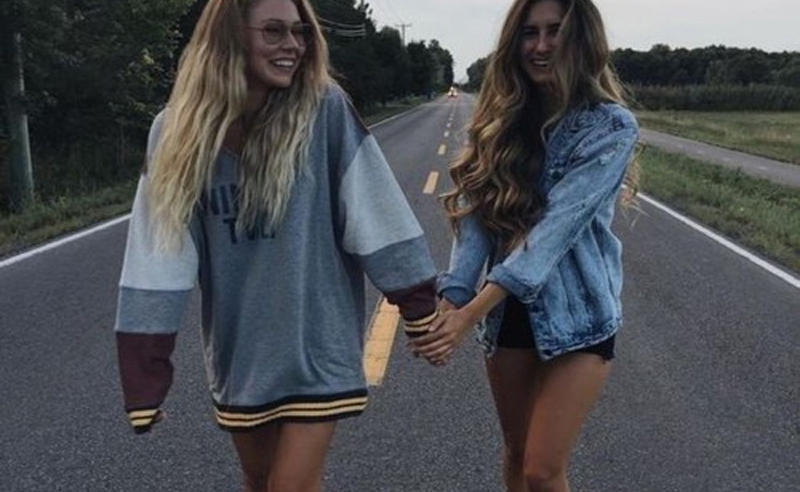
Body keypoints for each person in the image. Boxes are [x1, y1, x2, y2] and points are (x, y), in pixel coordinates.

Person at [113, 0, 438, 490]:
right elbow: (157, 256)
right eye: (273, 31)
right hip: (242, 355)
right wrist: (144, 372)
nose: (292, 45)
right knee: (260, 481)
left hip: (317, 346)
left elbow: (376, 208)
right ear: (229, 36)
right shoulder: (175, 133)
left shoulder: (323, 111)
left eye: (299, 32)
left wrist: (417, 304)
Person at [411, 0, 640, 491]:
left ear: (581, 38)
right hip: (508, 313)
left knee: (542, 467)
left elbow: (555, 231)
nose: (540, 46)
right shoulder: (501, 120)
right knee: (516, 452)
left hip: (580, 315)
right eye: (529, 33)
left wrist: (469, 315)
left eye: (554, 31)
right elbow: (477, 221)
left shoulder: (611, 127)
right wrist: (452, 301)